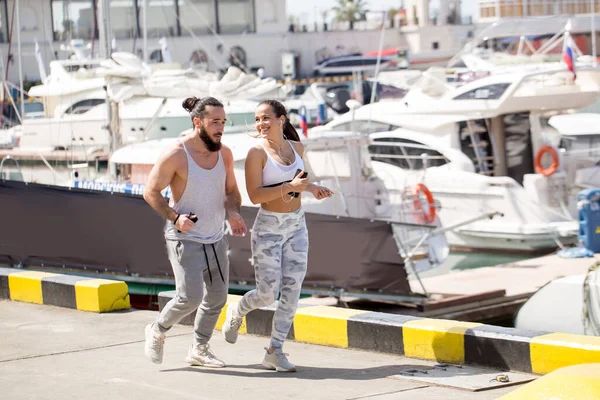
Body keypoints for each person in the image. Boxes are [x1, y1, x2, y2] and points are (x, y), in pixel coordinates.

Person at [222, 99, 333, 372]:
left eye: (265, 118)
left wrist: (312, 188)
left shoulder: (297, 148)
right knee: (267, 294)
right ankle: (238, 311)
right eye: (257, 119)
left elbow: (299, 183)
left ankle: (275, 350)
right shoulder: (256, 153)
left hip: (296, 225)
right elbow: (256, 195)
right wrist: (290, 186)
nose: (260, 123)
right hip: (269, 227)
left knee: (293, 292)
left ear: (281, 119)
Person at [143, 96, 247, 367]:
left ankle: (199, 348)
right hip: (183, 237)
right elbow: (150, 192)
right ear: (197, 122)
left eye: (223, 122)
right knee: (190, 297)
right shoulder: (176, 154)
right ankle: (157, 330)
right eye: (215, 122)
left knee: (218, 297)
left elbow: (232, 192)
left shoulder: (224, 153)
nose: (220, 128)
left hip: (215, 237)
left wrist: (234, 213)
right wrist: (175, 217)